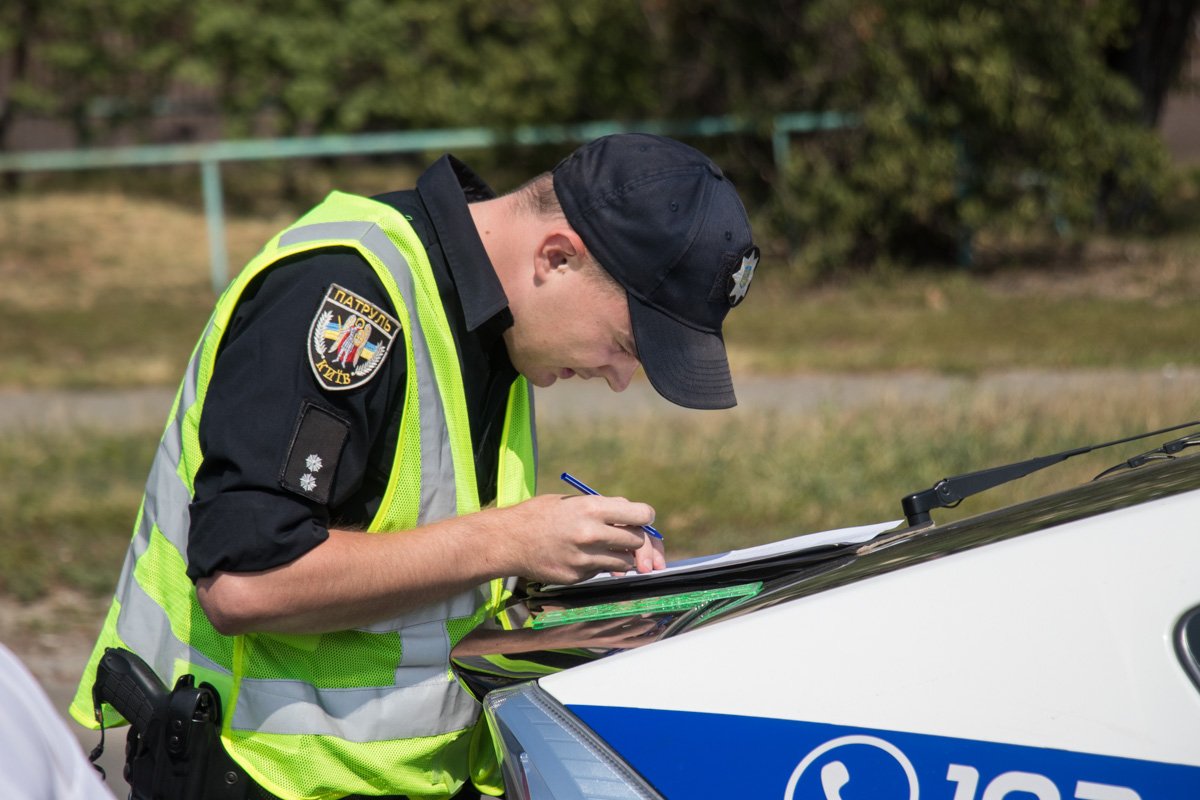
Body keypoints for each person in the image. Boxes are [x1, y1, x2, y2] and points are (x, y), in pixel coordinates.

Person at [69, 133, 759, 800]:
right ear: (556, 257)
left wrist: (561, 569)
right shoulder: (347, 297)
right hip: (259, 777)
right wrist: (511, 540)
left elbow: (410, 542)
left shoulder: (498, 327)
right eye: (623, 344)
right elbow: (246, 581)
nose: (617, 379)